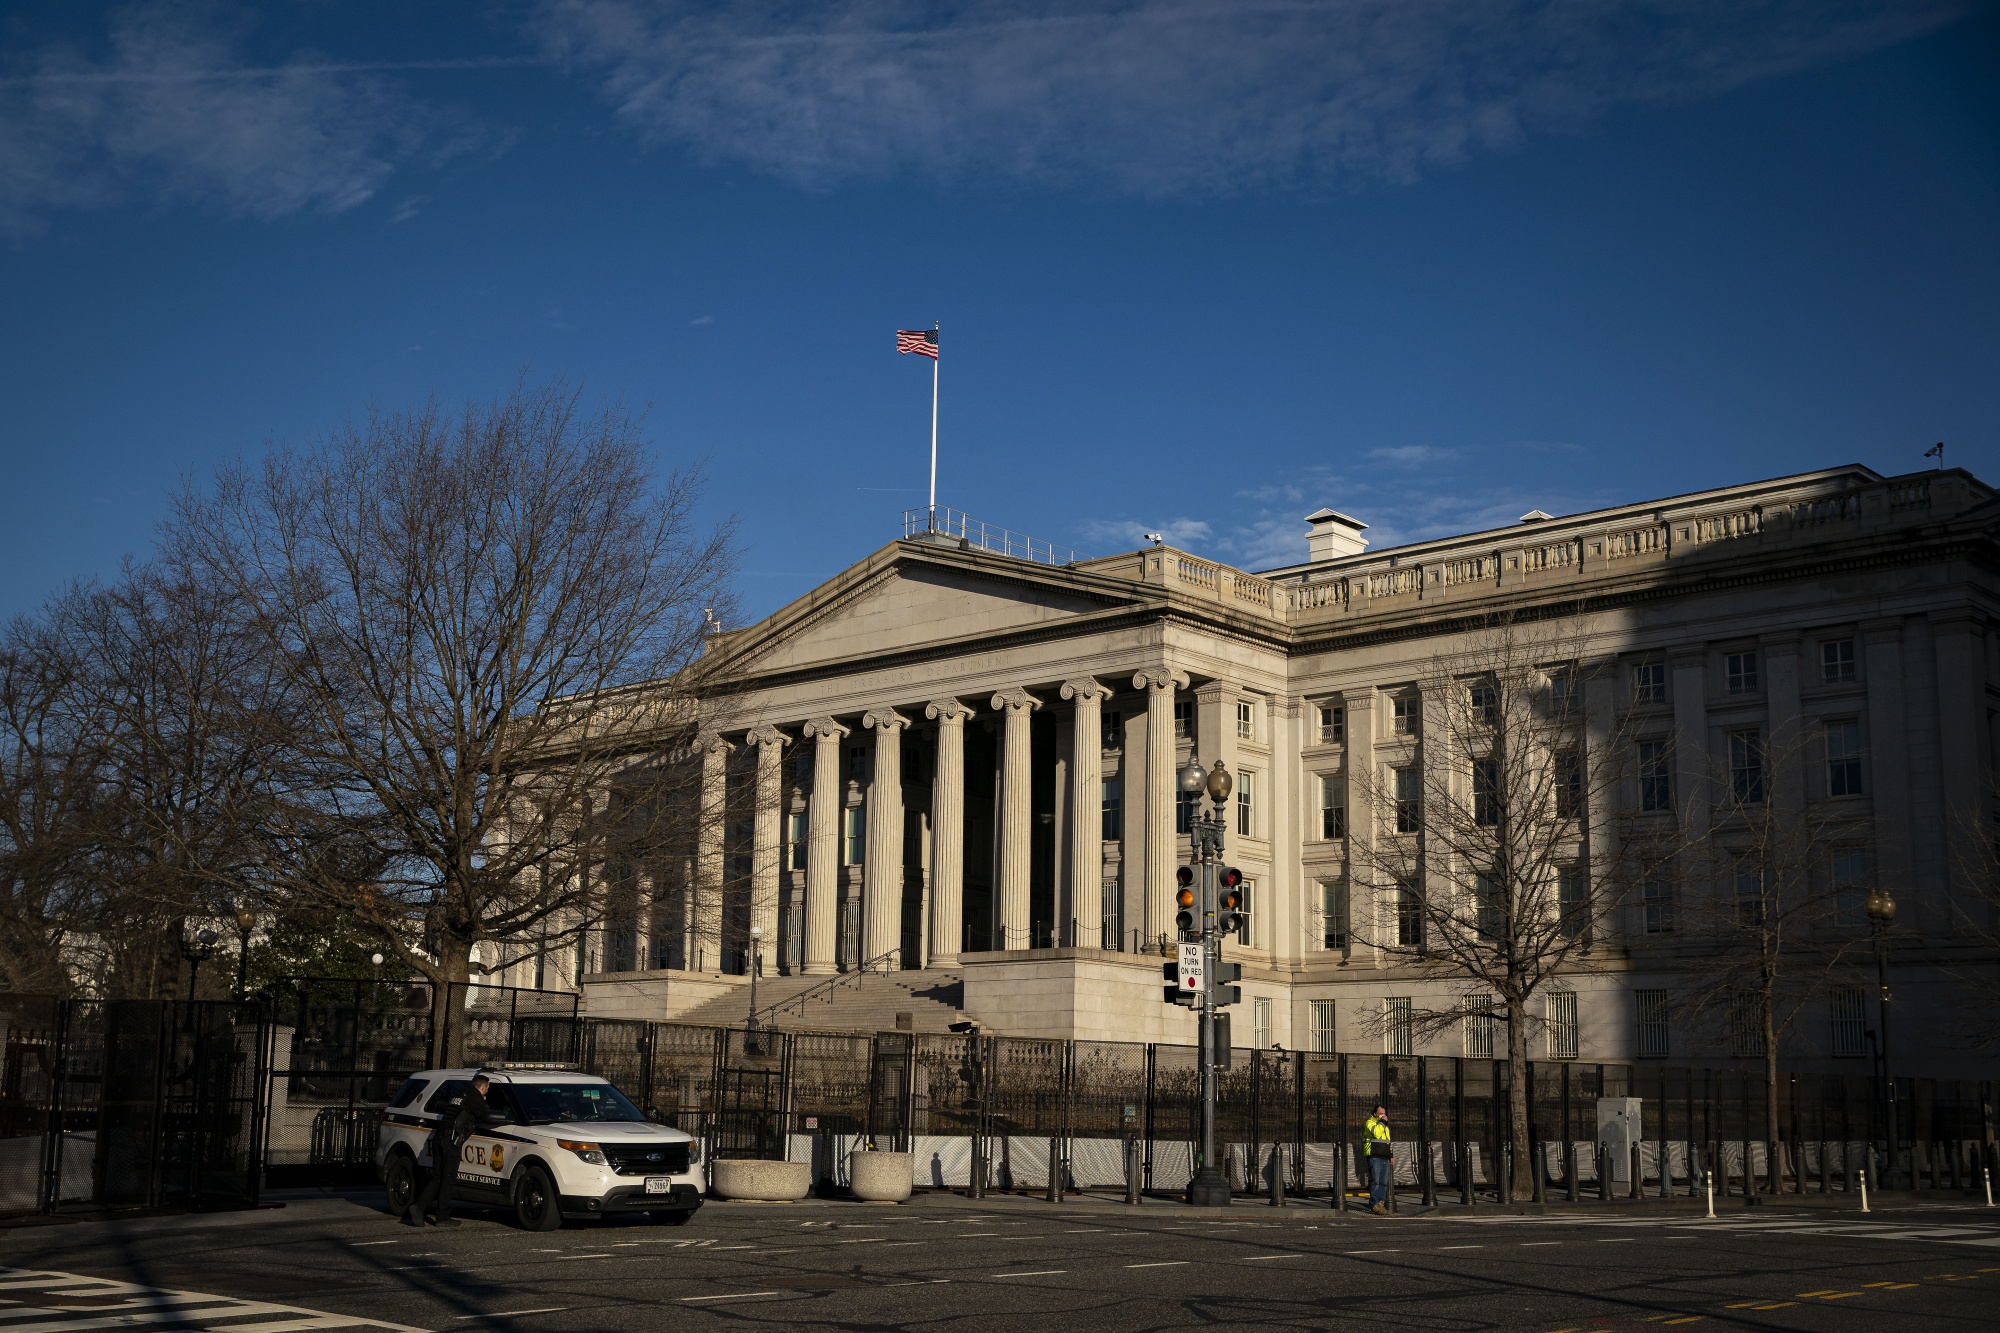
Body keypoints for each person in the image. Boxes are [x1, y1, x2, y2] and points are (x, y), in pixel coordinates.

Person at [407, 1073, 505, 1227]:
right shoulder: (475, 1098)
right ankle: (442, 1216)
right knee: (447, 1179)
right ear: (483, 1087)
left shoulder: (459, 1095)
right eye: (487, 1089)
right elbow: (486, 1114)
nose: (487, 1092)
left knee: (437, 1177)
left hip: (440, 1138)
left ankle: (419, 1208)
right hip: (451, 1142)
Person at [1364, 1103, 1394, 1215]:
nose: (1383, 1116)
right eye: (1381, 1114)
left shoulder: (1384, 1125)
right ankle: (1374, 1204)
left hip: (1384, 1156)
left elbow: (1387, 1141)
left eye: (1384, 1114)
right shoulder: (1370, 1123)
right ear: (1375, 1114)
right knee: (1375, 1181)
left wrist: (1391, 1156)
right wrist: (1382, 1122)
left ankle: (1381, 1204)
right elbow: (1376, 1133)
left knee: (1383, 1182)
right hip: (1374, 1155)